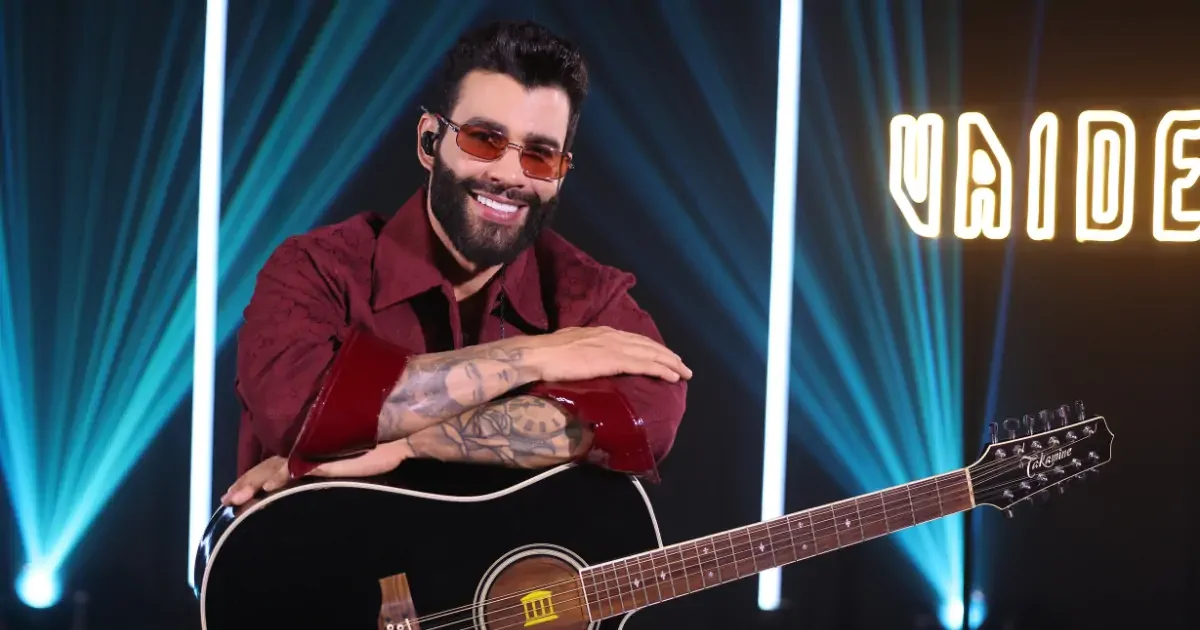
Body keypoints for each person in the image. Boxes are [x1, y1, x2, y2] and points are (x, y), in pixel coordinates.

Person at [221, 19, 691, 507]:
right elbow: (295, 410)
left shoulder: (585, 293)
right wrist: (534, 356)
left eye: (540, 156)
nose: (510, 175)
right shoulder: (314, 269)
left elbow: (652, 415)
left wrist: (408, 445)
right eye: (484, 139)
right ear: (430, 142)